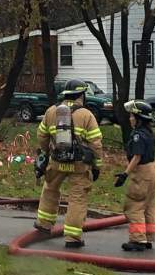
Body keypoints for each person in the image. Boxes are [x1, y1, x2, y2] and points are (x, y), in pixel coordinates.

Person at [31, 79, 104, 248]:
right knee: (77, 198)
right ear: (82, 95)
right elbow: (96, 143)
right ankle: (72, 238)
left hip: (56, 161)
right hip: (79, 165)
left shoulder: (51, 112)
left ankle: (44, 224)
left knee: (50, 189)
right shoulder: (86, 115)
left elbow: (41, 136)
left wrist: (46, 152)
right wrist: (97, 165)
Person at [117, 99, 155, 251]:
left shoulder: (137, 136)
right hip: (153, 170)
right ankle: (148, 238)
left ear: (139, 118)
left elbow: (137, 157)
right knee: (148, 206)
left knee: (134, 206)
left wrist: (125, 174)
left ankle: (137, 240)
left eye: (132, 116)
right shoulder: (148, 133)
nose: (130, 119)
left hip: (142, 171)